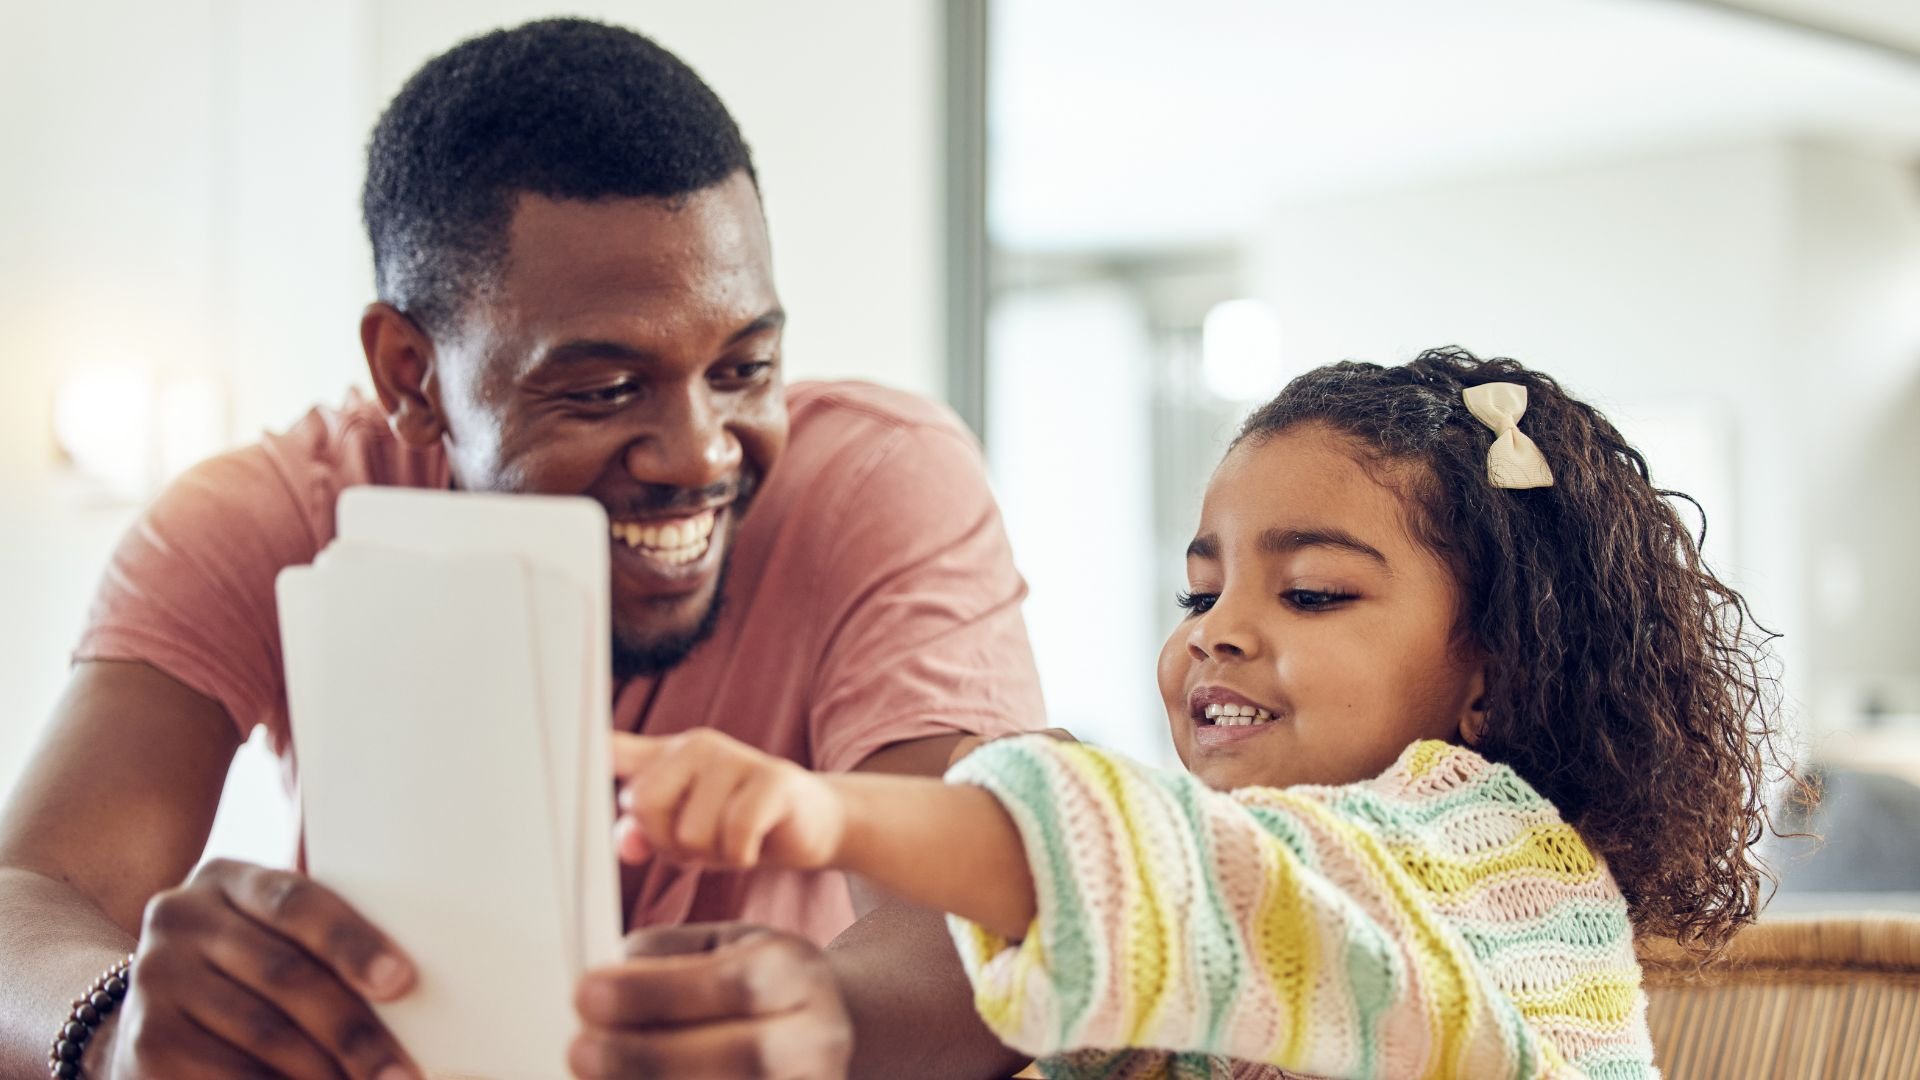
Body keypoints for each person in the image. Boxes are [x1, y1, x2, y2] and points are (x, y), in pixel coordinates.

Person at [0, 18, 1045, 1080]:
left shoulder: (877, 480)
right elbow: (30, 902)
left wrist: (832, 1018)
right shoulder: (266, 516)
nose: (698, 453)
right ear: (411, 373)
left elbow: (984, 909)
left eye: (743, 368)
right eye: (603, 389)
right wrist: (109, 1019)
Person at [604, 349, 1801, 1078]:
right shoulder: (1242, 893)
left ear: (1493, 672)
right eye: (1198, 587)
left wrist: (823, 815)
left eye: (1314, 592)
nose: (1214, 630)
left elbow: (1184, 879)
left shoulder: (1492, 864)